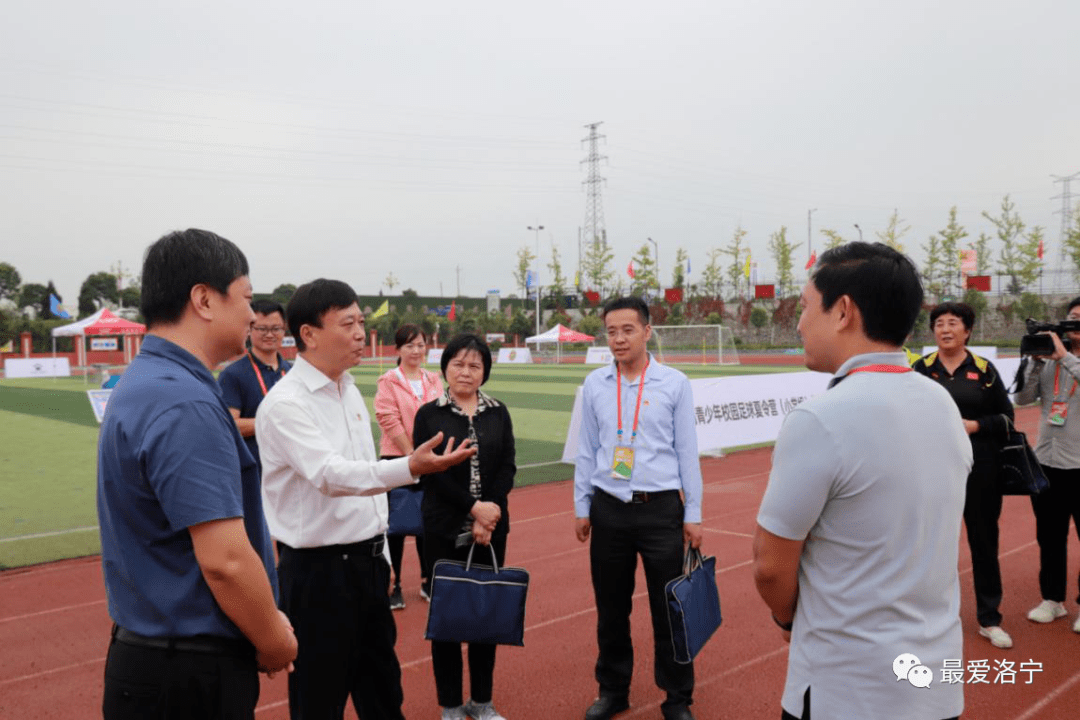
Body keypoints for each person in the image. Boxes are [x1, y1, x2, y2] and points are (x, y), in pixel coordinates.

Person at [753, 242, 971, 720]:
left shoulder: (820, 418)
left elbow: (771, 567)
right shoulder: (941, 403)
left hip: (846, 690)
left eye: (807, 306)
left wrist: (788, 618)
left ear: (843, 311)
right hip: (934, 684)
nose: (799, 322)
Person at [97, 229, 297, 719]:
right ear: (204, 299)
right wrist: (274, 639)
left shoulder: (144, 381)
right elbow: (225, 560)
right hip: (188, 675)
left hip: (152, 662)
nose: (253, 316)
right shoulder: (184, 401)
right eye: (247, 298)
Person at [255, 279, 475, 720]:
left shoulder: (350, 388)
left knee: (383, 696)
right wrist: (409, 468)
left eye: (360, 321)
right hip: (318, 577)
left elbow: (360, 476)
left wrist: (383, 561)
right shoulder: (285, 405)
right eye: (348, 323)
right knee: (320, 700)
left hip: (368, 569)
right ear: (309, 334)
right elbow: (331, 475)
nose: (361, 332)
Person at [574, 296, 703, 720]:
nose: (618, 339)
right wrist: (582, 506)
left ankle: (678, 697)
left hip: (660, 510)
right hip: (609, 510)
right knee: (611, 609)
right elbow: (587, 450)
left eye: (628, 330)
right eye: (611, 331)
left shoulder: (674, 383)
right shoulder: (594, 384)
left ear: (647, 332)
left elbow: (687, 453)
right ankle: (613, 690)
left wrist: (693, 513)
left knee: (670, 609)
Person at [413, 333, 516, 720]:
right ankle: (452, 705)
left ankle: (482, 702)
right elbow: (431, 475)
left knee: (485, 616)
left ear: (485, 371)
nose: (466, 372)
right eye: (458, 363)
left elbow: (507, 464)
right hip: (443, 527)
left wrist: (488, 515)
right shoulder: (429, 414)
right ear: (445, 368)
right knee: (447, 620)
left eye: (475, 365)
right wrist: (474, 508)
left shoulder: (497, 412)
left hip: (491, 528)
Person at [913, 301, 1016, 649]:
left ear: (967, 330)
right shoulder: (920, 369)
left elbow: (1006, 419)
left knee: (984, 542)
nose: (945, 329)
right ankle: (927, 616)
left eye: (953, 322)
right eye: (939, 323)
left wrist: (974, 425)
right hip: (933, 469)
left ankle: (990, 618)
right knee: (930, 544)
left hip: (981, 468)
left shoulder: (984, 369)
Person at [1015, 296, 1080, 633]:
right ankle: (1052, 599)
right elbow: (1022, 399)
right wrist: (1036, 363)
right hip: (1047, 464)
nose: (1073, 324)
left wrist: (1066, 357)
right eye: (1071, 318)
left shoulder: (1066, 360)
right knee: (1050, 536)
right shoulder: (1050, 362)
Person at [375, 324, 443, 609]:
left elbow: (442, 412)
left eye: (420, 345)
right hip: (397, 459)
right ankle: (395, 584)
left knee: (429, 521)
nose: (416, 351)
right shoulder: (389, 380)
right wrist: (410, 455)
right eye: (410, 345)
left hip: (431, 459)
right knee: (396, 526)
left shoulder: (433, 378)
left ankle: (429, 580)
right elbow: (387, 417)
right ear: (398, 349)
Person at [217, 298, 292, 474]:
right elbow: (228, 425)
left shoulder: (291, 372)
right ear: (250, 329)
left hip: (290, 471)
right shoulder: (233, 374)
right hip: (252, 472)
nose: (270, 334)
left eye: (276, 329)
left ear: (284, 329)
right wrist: (274, 423)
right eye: (262, 329)